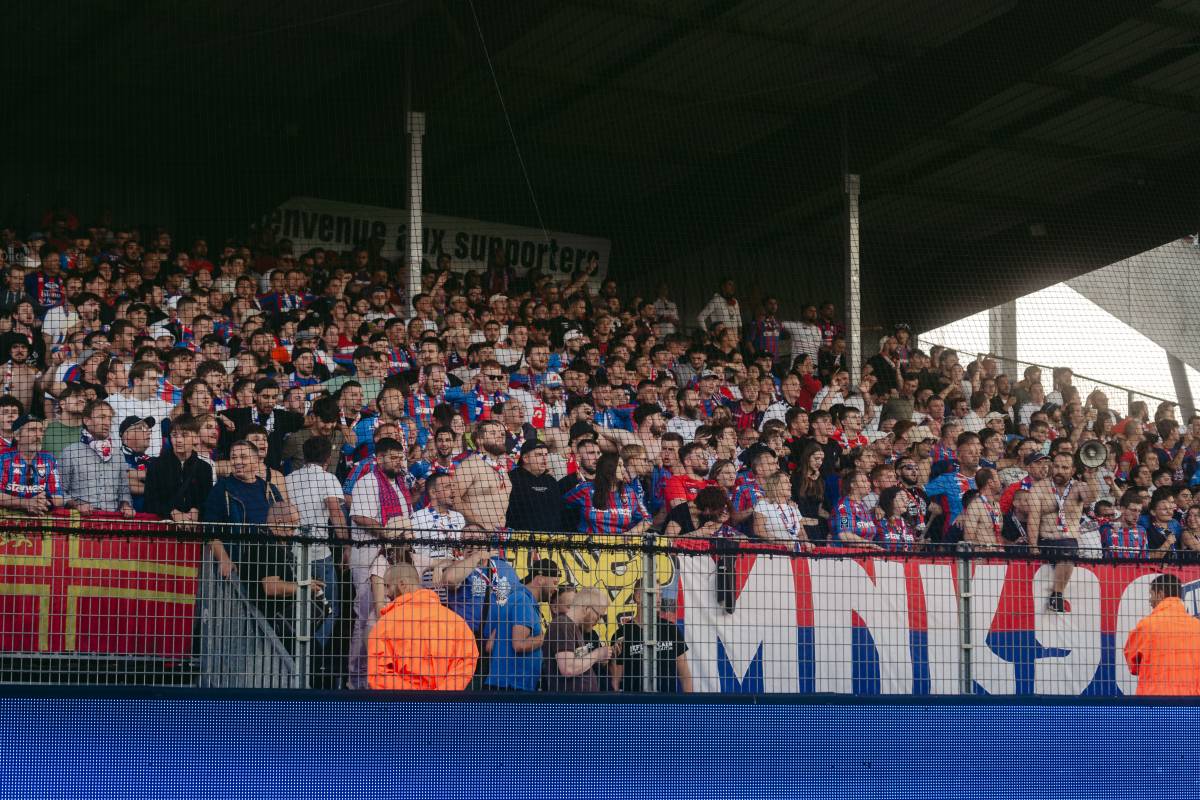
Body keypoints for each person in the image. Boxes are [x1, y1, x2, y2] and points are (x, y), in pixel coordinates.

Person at [347, 437, 412, 690]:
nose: (398, 462)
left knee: (391, 615)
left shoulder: (400, 484)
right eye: (393, 458)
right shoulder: (368, 481)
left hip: (393, 556)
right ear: (380, 458)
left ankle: (383, 677)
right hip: (368, 553)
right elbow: (359, 516)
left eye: (400, 458)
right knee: (366, 616)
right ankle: (357, 680)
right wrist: (388, 533)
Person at [367, 563, 479, 691]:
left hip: (402, 702)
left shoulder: (384, 626)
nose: (386, 593)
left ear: (402, 584)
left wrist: (415, 698)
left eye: (387, 586)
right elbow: (466, 662)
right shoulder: (457, 623)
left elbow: (379, 674)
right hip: (444, 702)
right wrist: (441, 695)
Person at [284, 435, 346, 652]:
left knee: (299, 604)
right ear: (328, 458)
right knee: (328, 606)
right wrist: (347, 545)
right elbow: (336, 512)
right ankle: (315, 654)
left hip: (293, 551)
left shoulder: (289, 479)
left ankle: (298, 652)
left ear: (304, 455)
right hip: (319, 553)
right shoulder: (329, 478)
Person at [1026, 452, 1100, 613]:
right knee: (1067, 551)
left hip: (1068, 541)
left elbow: (1091, 498)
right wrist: (1033, 547)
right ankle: (1057, 596)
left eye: (1064, 468)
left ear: (1073, 470)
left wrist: (1091, 477)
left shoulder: (1079, 487)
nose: (1059, 471)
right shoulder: (1039, 488)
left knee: (1067, 550)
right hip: (1047, 541)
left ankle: (1057, 595)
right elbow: (1033, 519)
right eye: (1056, 466)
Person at [483, 557, 560, 692]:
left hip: (503, 685)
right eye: (554, 583)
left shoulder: (515, 598)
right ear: (540, 579)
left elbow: (490, 645)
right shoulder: (523, 601)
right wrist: (547, 637)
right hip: (512, 688)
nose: (555, 588)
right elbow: (519, 645)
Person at [1123, 574, 1200, 696]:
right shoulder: (1197, 626)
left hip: (1154, 700)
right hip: (1192, 701)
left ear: (1160, 594)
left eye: (1151, 594)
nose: (1150, 601)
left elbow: (1133, 666)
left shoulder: (1146, 625)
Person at [610, 580, 692, 693]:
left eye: (660, 595)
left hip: (668, 701)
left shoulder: (670, 629)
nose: (659, 600)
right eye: (654, 594)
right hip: (635, 701)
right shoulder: (622, 634)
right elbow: (615, 681)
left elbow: (685, 675)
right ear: (638, 597)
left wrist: (689, 702)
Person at [59, 401, 135, 516]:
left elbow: (124, 490)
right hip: (81, 519)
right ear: (87, 420)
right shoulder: (70, 452)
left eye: (109, 418)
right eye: (102, 417)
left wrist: (126, 505)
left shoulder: (117, 454)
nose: (107, 423)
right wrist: (77, 505)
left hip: (112, 519)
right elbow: (60, 491)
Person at [541, 586, 611, 693]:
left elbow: (576, 662)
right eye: (598, 615)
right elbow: (568, 668)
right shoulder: (562, 625)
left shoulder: (572, 627)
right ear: (586, 609)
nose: (599, 620)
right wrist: (597, 654)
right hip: (571, 701)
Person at [143, 418, 213, 521]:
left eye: (184, 435)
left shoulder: (205, 468)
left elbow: (208, 501)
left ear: (196, 438)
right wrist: (172, 512)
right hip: (164, 527)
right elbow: (149, 502)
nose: (179, 440)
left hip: (194, 527)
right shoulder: (156, 465)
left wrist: (197, 510)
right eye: (174, 435)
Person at [105, 360, 175, 457]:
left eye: (157, 380)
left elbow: (180, 409)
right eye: (152, 379)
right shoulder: (113, 402)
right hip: (123, 461)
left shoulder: (159, 403)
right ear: (137, 381)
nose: (158, 384)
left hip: (152, 462)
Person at [454, 419, 511, 532]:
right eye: (493, 433)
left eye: (502, 434)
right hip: (476, 534)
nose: (500, 436)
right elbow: (453, 499)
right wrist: (481, 525)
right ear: (479, 440)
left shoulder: (501, 468)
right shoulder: (470, 465)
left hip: (499, 533)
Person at [0, 416, 65, 514]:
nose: (38, 435)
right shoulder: (3, 458)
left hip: (40, 514)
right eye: (32, 430)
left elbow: (58, 497)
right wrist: (26, 503)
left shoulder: (48, 459)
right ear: (17, 436)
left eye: (41, 430)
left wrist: (42, 503)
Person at [505, 439, 564, 532]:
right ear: (525, 458)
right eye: (539, 455)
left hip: (551, 537)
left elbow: (559, 513)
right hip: (519, 537)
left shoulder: (551, 481)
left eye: (546, 454)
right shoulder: (510, 479)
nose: (544, 458)